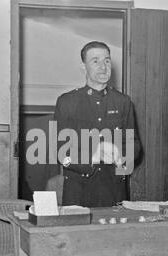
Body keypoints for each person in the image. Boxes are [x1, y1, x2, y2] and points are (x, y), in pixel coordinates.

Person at [53, 41, 141, 208]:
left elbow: (134, 146)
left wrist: (119, 154)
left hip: (114, 190)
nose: (103, 66)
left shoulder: (122, 102)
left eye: (107, 61)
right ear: (83, 67)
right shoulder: (67, 102)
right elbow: (59, 150)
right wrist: (93, 156)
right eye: (96, 61)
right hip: (78, 191)